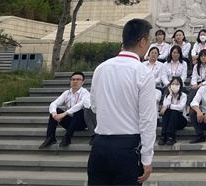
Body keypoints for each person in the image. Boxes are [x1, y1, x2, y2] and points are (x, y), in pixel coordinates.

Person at [87, 18, 156, 185]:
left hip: (100, 145)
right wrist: (147, 158)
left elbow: (94, 106)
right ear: (142, 41)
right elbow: (147, 119)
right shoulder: (143, 72)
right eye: (149, 40)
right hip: (126, 148)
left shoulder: (101, 68)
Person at [39, 71, 89, 149]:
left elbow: (80, 105)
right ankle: (50, 137)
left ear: (82, 82)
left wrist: (64, 114)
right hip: (69, 122)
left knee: (80, 111)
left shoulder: (85, 93)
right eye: (73, 79)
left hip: (81, 122)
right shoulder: (67, 93)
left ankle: (67, 137)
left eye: (78, 79)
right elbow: (53, 104)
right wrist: (54, 114)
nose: (75, 81)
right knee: (55, 110)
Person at [158, 76, 187, 145]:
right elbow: (164, 106)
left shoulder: (183, 95)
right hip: (170, 121)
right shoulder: (167, 96)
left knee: (174, 112)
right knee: (167, 112)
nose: (174, 86)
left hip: (180, 121)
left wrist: (168, 106)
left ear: (180, 85)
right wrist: (170, 94)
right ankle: (164, 136)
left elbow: (181, 107)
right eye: (173, 84)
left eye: (177, 84)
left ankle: (171, 135)